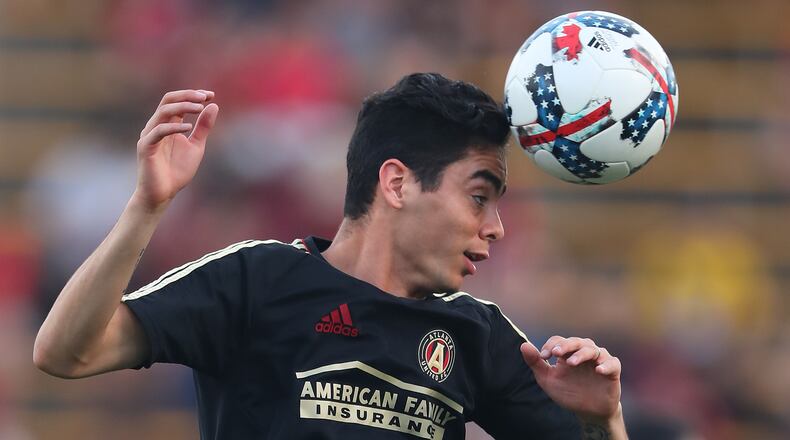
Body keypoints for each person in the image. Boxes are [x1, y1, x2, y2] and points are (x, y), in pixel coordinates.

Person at [34, 73, 626, 439]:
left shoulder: (482, 336)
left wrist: (604, 423)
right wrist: (146, 206)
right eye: (478, 198)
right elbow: (65, 352)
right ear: (396, 184)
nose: (496, 229)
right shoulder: (257, 280)